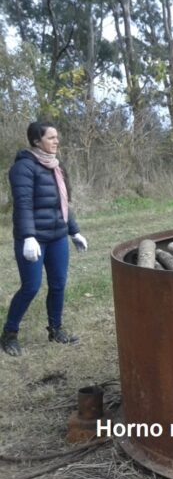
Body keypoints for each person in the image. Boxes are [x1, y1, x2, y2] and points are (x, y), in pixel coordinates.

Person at [0, 122, 88, 356]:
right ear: (37, 141)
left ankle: (55, 329)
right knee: (31, 286)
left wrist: (74, 231)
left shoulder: (56, 166)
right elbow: (24, 205)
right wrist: (28, 236)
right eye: (51, 138)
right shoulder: (23, 168)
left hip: (57, 236)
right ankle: (9, 334)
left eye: (57, 137)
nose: (56, 141)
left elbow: (62, 204)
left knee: (58, 284)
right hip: (34, 239)